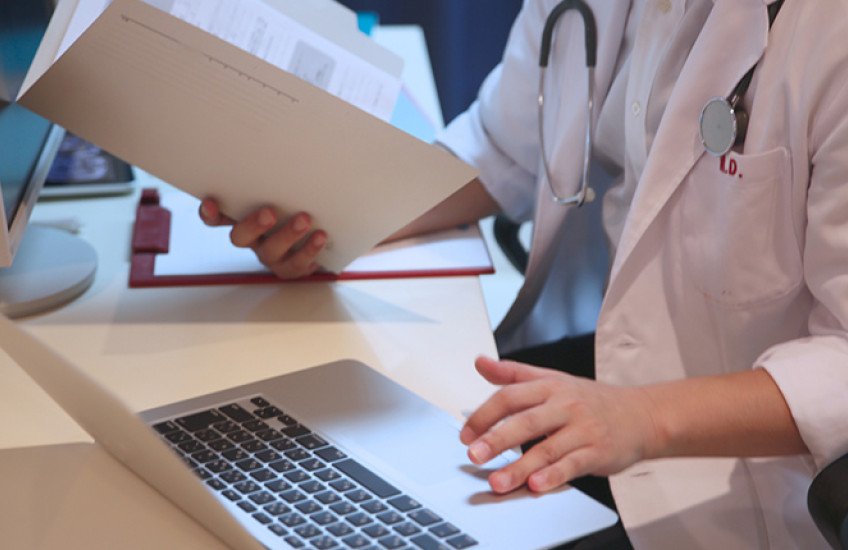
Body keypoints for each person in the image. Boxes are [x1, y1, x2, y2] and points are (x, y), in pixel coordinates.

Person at [199, 0, 848, 547]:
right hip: (615, 381)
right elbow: (501, 147)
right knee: (330, 462)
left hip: (745, 480)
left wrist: (642, 417)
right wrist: (331, 220)